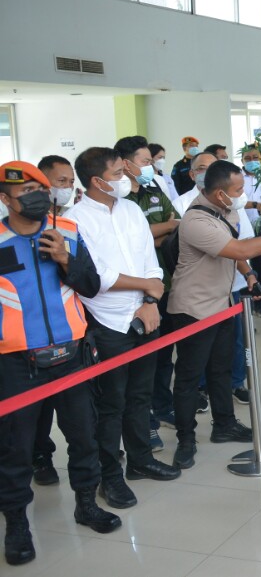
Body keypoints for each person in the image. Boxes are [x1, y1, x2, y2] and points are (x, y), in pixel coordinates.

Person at [0, 161, 122, 566]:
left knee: (83, 436)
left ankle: (86, 504)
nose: (36, 199)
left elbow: (90, 286)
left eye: (40, 191)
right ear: (5, 200)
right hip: (17, 363)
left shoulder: (66, 231)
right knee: (14, 449)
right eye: (24, 194)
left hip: (71, 357)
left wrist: (67, 259)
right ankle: (17, 523)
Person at [66, 146, 181, 509]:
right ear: (97, 181)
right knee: (110, 403)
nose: (127, 178)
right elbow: (97, 277)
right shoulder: (75, 220)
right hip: (107, 322)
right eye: (118, 173)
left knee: (140, 395)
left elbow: (152, 262)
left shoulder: (132, 210)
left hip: (145, 315)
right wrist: (146, 290)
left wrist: (149, 301)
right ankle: (110, 477)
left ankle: (141, 461)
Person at [168, 160, 261, 469]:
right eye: (238, 190)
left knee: (221, 371)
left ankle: (224, 424)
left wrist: (250, 276)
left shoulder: (224, 211)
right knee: (189, 378)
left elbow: (235, 249)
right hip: (193, 309)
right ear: (218, 194)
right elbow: (240, 250)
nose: (243, 195)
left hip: (221, 304)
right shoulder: (195, 220)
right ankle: (185, 439)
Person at [113, 136, 181, 453]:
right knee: (136, 371)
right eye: (144, 161)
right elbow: (135, 242)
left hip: (160, 284)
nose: (150, 166)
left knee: (163, 357)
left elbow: (174, 223)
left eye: (151, 161)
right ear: (125, 164)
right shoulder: (120, 204)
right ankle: (145, 425)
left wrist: (156, 232)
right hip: (129, 295)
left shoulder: (155, 192)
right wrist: (157, 231)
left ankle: (163, 407)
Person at [29, 154, 79, 486]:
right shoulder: (14, 230)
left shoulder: (71, 225)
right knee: (35, 412)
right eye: (61, 182)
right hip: (26, 341)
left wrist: (65, 259)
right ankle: (40, 456)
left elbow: (86, 279)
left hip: (70, 334)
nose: (68, 189)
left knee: (78, 416)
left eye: (71, 182)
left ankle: (87, 490)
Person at [240, 144, 261, 318]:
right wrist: (256, 205)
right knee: (244, 268)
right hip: (243, 229)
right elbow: (233, 200)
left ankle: (259, 303)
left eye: (255, 158)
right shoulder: (237, 177)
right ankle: (245, 306)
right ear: (242, 160)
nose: (252, 161)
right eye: (247, 159)